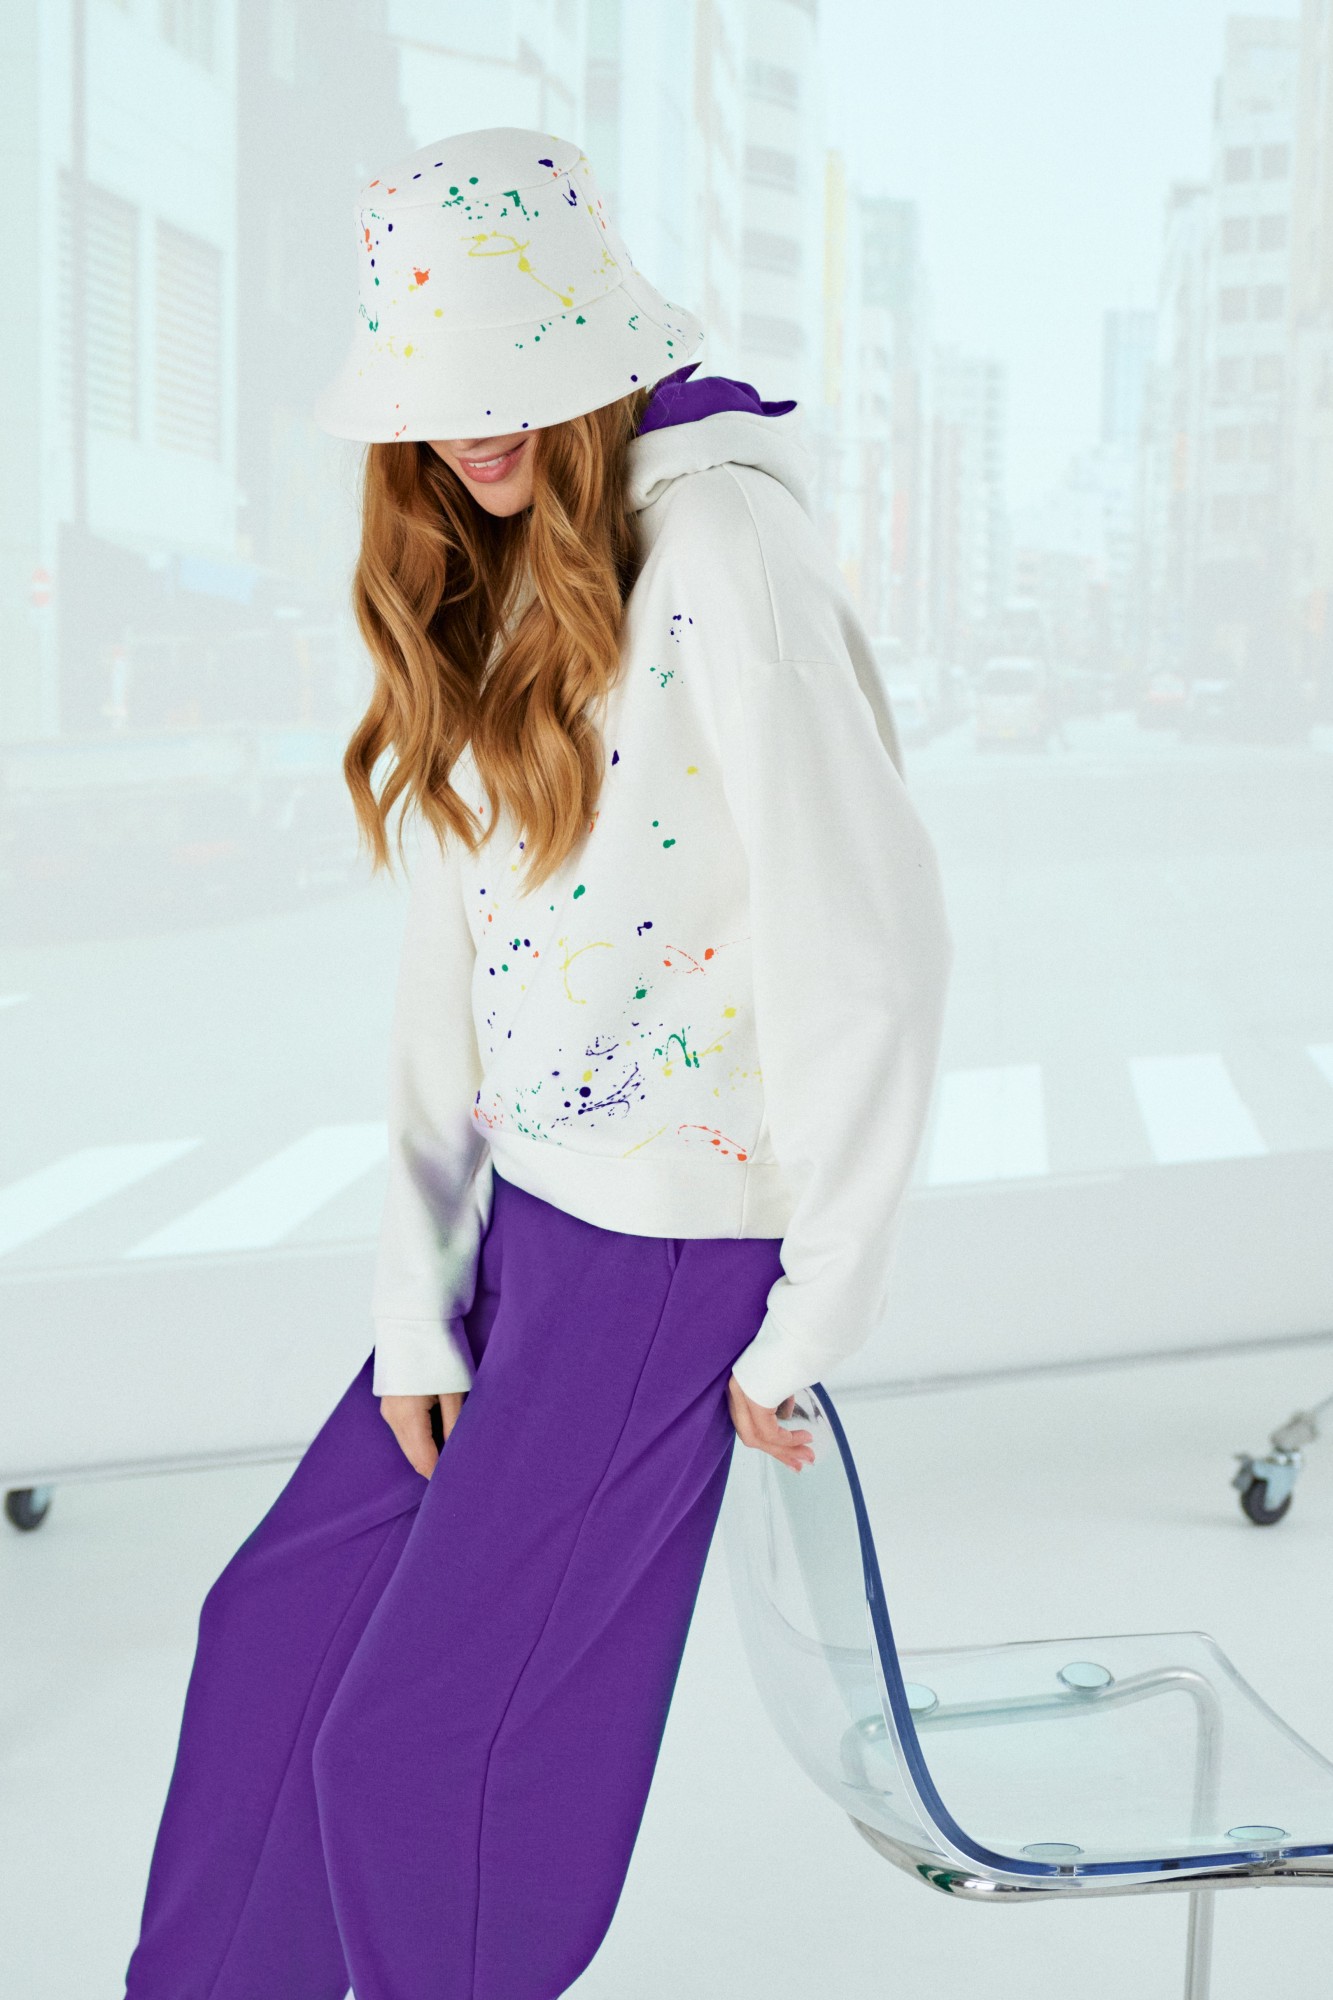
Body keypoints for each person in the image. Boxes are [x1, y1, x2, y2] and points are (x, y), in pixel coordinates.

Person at [123, 124, 954, 2000]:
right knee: (270, 1645)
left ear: (589, 350)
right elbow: (454, 971)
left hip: (667, 1255)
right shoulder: (494, 570)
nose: (470, 428)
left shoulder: (726, 549)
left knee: (420, 1759)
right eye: (434, 391)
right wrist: (413, 1305)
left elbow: (867, 944)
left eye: (506, 373)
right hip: (521, 1226)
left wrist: (813, 1311)